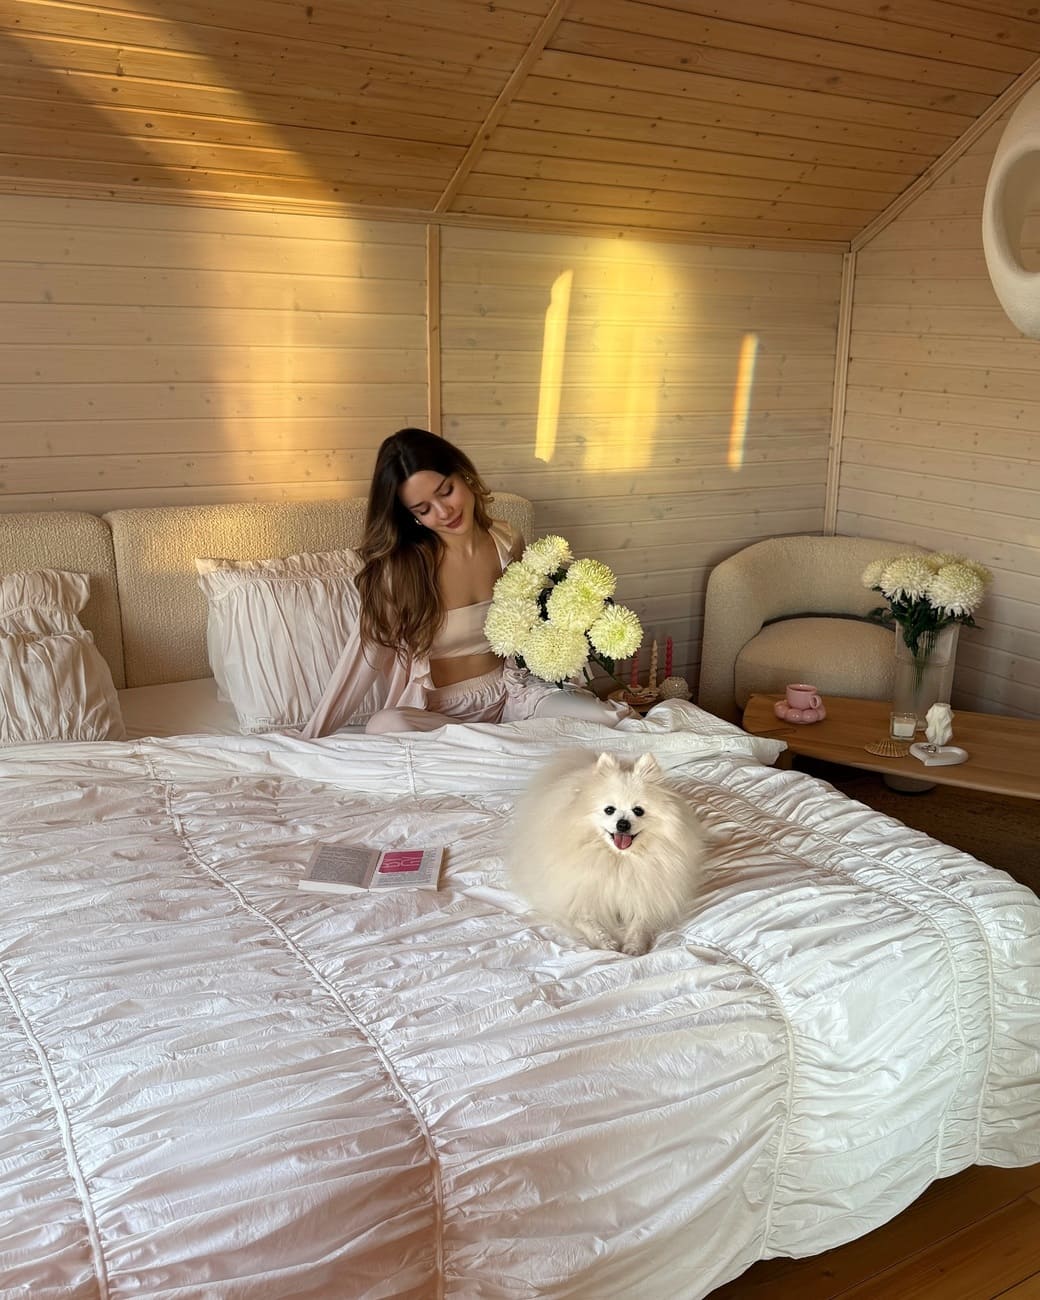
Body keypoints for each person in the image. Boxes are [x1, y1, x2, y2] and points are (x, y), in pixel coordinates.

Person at [301, 428, 631, 736]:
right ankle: (502, 746)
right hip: (441, 715)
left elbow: (533, 626)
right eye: (424, 509)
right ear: (411, 516)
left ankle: (500, 745)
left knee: (606, 720)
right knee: (386, 724)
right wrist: (312, 738)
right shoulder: (400, 572)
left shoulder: (506, 541)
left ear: (464, 474)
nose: (444, 512)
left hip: (514, 694)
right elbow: (360, 662)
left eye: (446, 491)